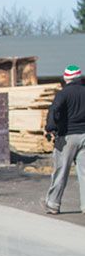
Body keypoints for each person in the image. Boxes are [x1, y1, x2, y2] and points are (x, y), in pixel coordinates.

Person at [43, 64, 85, 214]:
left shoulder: (63, 94)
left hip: (67, 137)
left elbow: (54, 110)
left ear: (66, 78)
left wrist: (50, 128)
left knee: (61, 171)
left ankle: (53, 204)